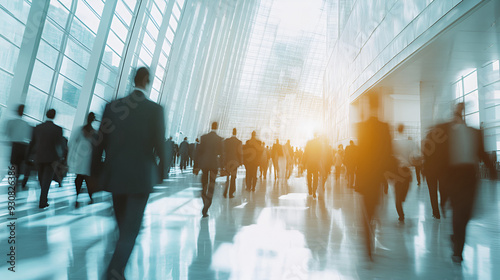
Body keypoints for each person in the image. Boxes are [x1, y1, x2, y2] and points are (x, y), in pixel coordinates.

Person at [92, 67, 165, 279]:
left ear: (134, 80)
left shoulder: (112, 106)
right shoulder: (155, 110)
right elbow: (160, 145)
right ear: (148, 81)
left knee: (123, 223)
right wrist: (161, 174)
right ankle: (114, 271)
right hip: (140, 178)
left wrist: (95, 173)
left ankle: (116, 268)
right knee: (130, 229)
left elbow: (99, 142)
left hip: (115, 176)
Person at [437, 103, 495, 263]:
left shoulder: (474, 133)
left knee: (466, 213)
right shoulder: (447, 134)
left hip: (470, 176)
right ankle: (458, 252)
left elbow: (482, 154)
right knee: (458, 212)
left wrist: (493, 173)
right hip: (454, 176)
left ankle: (456, 237)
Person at [356, 93, 394, 260]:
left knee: (366, 210)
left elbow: (361, 153)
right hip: (378, 177)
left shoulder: (361, 127)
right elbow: (388, 153)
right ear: (378, 106)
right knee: (373, 208)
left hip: (365, 177)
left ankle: (368, 247)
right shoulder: (384, 127)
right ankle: (369, 240)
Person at [27, 109, 64, 208]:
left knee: (41, 178)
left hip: (39, 157)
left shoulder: (38, 127)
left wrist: (28, 156)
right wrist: (61, 157)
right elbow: (59, 145)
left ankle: (43, 199)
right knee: (46, 180)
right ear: (54, 116)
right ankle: (43, 201)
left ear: (46, 114)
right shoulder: (58, 129)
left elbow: (32, 142)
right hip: (52, 158)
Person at [68, 112, 97, 205]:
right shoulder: (94, 133)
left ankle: (77, 196)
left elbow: (72, 142)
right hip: (88, 159)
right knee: (88, 179)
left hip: (79, 158)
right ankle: (90, 197)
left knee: (79, 178)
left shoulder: (80, 130)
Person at [197, 122, 223, 217]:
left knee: (204, 183)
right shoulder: (219, 139)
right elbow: (221, 153)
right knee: (211, 184)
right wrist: (222, 166)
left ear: (211, 126)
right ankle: (206, 206)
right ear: (217, 127)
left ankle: (204, 198)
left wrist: (196, 165)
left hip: (205, 164)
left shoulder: (204, 138)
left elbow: (199, 152)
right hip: (213, 165)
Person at [5, 105, 32, 189]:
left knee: (14, 163)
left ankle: (13, 180)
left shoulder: (11, 122)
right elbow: (28, 137)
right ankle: (16, 179)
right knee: (20, 164)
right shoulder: (26, 124)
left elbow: (7, 133)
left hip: (15, 145)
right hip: (23, 146)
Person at [392, 124, 413, 222]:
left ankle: (401, 214)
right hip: (407, 170)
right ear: (404, 129)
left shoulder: (393, 143)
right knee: (405, 188)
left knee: (397, 193)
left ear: (397, 130)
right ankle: (402, 198)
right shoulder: (408, 142)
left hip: (397, 170)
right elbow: (413, 155)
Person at [222, 128, 243, 198]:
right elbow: (240, 153)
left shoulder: (227, 141)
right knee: (233, 177)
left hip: (227, 161)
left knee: (227, 177)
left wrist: (223, 162)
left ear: (232, 132)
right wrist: (241, 162)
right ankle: (231, 193)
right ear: (236, 133)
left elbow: (224, 151)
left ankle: (225, 192)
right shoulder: (239, 142)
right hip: (235, 162)